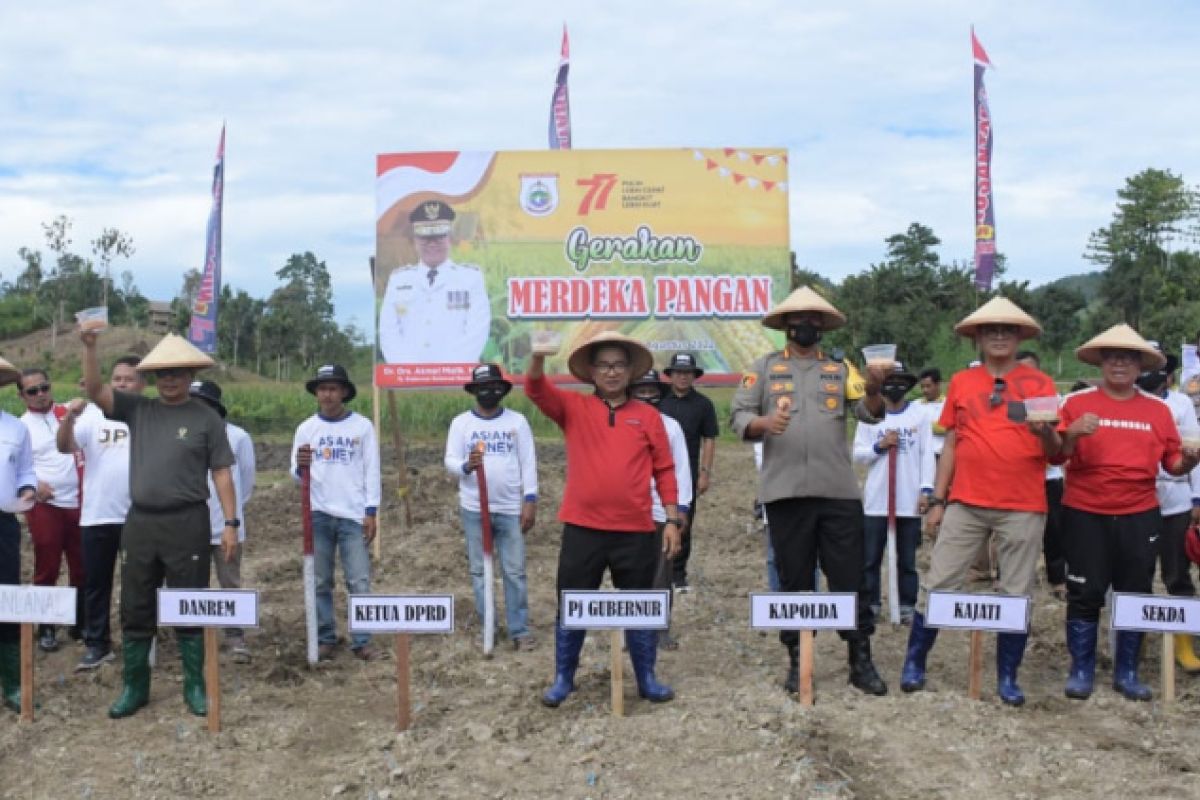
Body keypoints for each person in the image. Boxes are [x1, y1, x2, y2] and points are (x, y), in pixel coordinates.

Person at [730, 286, 889, 697]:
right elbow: (738, 415)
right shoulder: (762, 369)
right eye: (800, 319)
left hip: (837, 491)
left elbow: (868, 413)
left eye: (815, 319)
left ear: (822, 326)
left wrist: (873, 389)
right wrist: (763, 424)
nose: (807, 325)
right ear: (785, 325)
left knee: (849, 578)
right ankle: (798, 661)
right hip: (784, 494)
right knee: (795, 580)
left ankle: (860, 659)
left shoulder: (840, 369)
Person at [1032, 324, 1200, 701]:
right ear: (1101, 363)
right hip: (1085, 511)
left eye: (1128, 358)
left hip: (1140, 512)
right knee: (1085, 591)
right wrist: (1072, 433)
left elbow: (1171, 464)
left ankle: (1127, 670)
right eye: (1112, 357)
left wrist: (1188, 462)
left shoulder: (1158, 411)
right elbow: (1055, 454)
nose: (1120, 364)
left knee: (1135, 590)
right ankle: (1082, 669)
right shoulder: (1075, 404)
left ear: (1140, 366)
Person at [904, 297, 1057, 706]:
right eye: (991, 329)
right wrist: (938, 499)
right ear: (978, 338)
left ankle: (1007, 677)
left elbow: (1056, 449)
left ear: (1020, 335)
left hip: (1023, 504)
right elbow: (952, 441)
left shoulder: (1041, 385)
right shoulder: (961, 382)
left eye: (1008, 329)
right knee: (938, 581)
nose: (1000, 336)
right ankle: (914, 661)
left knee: (1016, 591)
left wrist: (1046, 432)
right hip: (966, 502)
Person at [81, 331, 240, 719]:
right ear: (154, 378)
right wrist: (89, 348)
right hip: (141, 522)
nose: (170, 380)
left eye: (178, 373)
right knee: (135, 603)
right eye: (163, 374)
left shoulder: (206, 419)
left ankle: (195, 686)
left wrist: (232, 522)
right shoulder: (139, 410)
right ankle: (135, 687)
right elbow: (97, 390)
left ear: (189, 375)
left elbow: (221, 473)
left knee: (189, 601)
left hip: (188, 522)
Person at [525, 331, 681, 708]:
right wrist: (539, 358)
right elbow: (534, 389)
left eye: (619, 365)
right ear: (592, 372)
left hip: (637, 529)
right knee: (572, 602)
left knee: (640, 604)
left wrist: (673, 519)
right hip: (583, 527)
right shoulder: (573, 408)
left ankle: (646, 677)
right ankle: (564, 676)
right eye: (604, 365)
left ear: (630, 371)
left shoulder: (648, 417)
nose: (612, 372)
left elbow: (665, 470)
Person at [56, 355, 144, 671]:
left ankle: (139, 641)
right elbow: (65, 448)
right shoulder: (91, 416)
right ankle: (97, 644)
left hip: (139, 516)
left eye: (129, 379)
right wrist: (68, 418)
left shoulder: (146, 415)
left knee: (137, 584)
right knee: (96, 583)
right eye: (117, 378)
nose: (122, 383)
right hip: (97, 515)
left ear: (142, 384)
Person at [443, 364, 539, 651]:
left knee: (514, 570)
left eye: (494, 387)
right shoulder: (462, 423)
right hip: (474, 507)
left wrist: (530, 499)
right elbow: (449, 460)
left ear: (502, 390)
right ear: (474, 391)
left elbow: (528, 462)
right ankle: (489, 625)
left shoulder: (517, 422)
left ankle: (519, 629)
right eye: (483, 387)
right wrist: (465, 466)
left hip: (510, 507)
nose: (489, 392)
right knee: (479, 569)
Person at [291, 364, 381, 661]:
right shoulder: (307, 429)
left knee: (358, 579)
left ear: (343, 392)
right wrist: (301, 466)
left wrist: (371, 510)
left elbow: (372, 470)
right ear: (316, 393)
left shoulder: (362, 427)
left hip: (353, 514)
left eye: (333, 388)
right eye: (322, 389)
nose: (327, 394)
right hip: (318, 512)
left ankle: (362, 638)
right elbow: (296, 473)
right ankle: (325, 636)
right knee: (320, 580)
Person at [1133, 343, 1200, 672]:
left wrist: (1198, 498)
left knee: (1177, 572)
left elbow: (1194, 451)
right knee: (1136, 572)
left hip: (1175, 498)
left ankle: (1184, 645)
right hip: (1137, 498)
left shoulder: (1181, 402)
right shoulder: (1128, 402)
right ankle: (1136, 641)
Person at [851, 363, 935, 625]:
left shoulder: (920, 415)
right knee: (870, 558)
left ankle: (907, 605)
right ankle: (872, 603)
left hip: (908, 500)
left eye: (900, 381)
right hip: (877, 501)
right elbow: (858, 454)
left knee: (906, 559)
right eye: (890, 380)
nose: (895, 386)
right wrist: (880, 445)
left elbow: (926, 454)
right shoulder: (870, 414)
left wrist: (926, 490)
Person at [190, 380, 256, 663]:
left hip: (225, 523)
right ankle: (196, 635)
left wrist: (232, 515)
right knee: (194, 581)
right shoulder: (182, 436)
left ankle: (234, 635)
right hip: (190, 522)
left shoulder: (238, 437)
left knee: (230, 580)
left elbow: (247, 479)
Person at [19, 367, 85, 652]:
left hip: (81, 501)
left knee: (82, 566)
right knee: (47, 565)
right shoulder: (20, 428)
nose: (40, 395)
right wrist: (34, 484)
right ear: (22, 396)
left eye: (44, 387)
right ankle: (45, 626)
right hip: (46, 504)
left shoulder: (68, 413)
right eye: (32, 391)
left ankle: (79, 622)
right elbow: (12, 467)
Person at [378, 200, 491, 364]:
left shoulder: (470, 278)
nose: (432, 243)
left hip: (457, 379)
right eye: (425, 237)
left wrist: (449, 372)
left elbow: (477, 331)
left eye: (439, 236)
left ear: (449, 238)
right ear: (415, 240)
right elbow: (388, 331)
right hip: (408, 379)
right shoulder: (399, 280)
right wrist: (405, 369)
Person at [629, 369, 692, 650]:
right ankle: (633, 630)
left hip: (662, 511)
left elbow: (681, 469)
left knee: (662, 573)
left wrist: (681, 510)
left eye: (652, 392)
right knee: (631, 574)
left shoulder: (671, 427)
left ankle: (660, 629)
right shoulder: (622, 423)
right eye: (640, 392)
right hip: (629, 512)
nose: (646, 397)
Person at [658, 352, 718, 593]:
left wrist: (705, 472)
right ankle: (657, 571)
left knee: (684, 522)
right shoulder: (659, 400)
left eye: (687, 373)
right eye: (678, 373)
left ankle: (678, 575)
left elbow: (710, 439)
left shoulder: (703, 404)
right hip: (657, 471)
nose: (683, 377)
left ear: (694, 376)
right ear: (670, 375)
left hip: (687, 472)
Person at [0, 356, 37, 712]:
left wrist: (27, 490)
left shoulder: (14, 429)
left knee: (4, 598)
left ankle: (11, 683)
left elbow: (26, 472)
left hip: (3, 524)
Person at [1016, 350, 1067, 601]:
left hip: (1049, 476)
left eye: (1030, 370)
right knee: (1016, 530)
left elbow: (1060, 439)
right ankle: (1010, 577)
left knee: (1054, 530)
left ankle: (1057, 578)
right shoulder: (1008, 401)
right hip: (1019, 476)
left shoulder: (1053, 399)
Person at [916, 367, 947, 458]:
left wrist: (925, 426)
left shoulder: (948, 404)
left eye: (928, 386)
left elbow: (951, 429)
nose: (925, 390)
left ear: (938, 384)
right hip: (921, 454)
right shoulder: (915, 405)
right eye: (922, 387)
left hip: (940, 455)